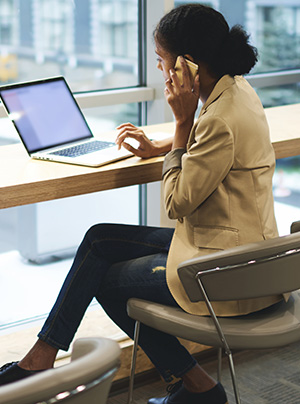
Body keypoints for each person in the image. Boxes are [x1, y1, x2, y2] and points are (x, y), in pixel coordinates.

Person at [0, 4, 282, 404]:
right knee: (99, 241)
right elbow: (216, 143)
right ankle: (42, 357)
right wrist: (164, 144)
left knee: (105, 280)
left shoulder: (216, 117)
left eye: (162, 61)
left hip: (224, 271)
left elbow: (176, 201)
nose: (161, 72)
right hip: (243, 248)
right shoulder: (235, 92)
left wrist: (181, 123)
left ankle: (197, 385)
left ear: (187, 66)